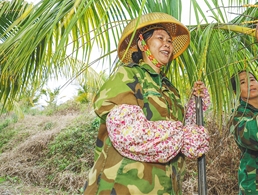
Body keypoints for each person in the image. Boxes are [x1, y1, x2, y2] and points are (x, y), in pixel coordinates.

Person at [84, 12, 210, 195]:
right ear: (143, 44)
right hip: (124, 187)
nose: (167, 43)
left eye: (169, 40)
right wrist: (183, 136)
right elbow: (128, 133)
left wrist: (194, 107)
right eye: (160, 38)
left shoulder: (169, 89)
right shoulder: (127, 75)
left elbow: (180, 131)